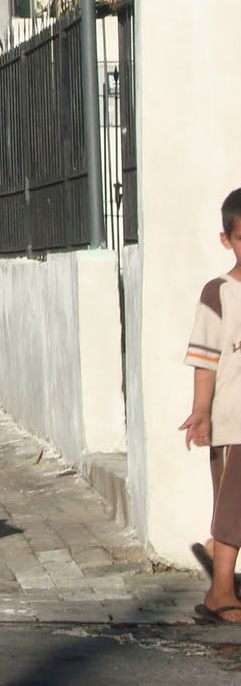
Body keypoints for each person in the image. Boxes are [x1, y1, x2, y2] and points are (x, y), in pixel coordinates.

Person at [181, 187, 241, 623]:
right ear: (227, 240)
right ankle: (220, 591)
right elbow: (205, 362)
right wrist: (201, 412)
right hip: (234, 421)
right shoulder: (217, 293)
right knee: (235, 504)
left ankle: (212, 552)